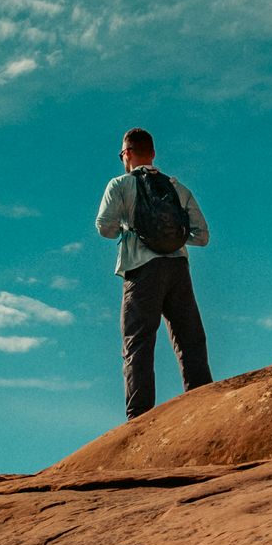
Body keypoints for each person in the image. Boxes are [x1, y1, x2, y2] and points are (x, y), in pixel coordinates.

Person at [95, 128, 213, 419]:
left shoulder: (120, 185)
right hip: (177, 268)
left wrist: (131, 229)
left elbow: (104, 227)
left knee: (138, 342)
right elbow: (202, 236)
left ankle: (139, 417)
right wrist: (170, 236)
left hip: (141, 270)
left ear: (127, 154)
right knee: (189, 339)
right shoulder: (177, 188)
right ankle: (205, 405)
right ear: (153, 154)